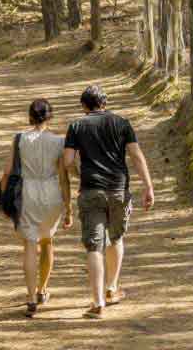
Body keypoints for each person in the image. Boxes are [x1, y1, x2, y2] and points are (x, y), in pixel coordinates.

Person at [63, 85, 154, 320]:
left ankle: (98, 302)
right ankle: (112, 288)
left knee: (94, 246)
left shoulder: (76, 126)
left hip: (91, 189)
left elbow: (68, 160)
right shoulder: (122, 123)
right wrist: (148, 186)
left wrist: (77, 173)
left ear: (84, 106)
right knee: (116, 238)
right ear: (105, 103)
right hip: (118, 189)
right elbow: (135, 155)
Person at [0, 99, 73, 318]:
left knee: (30, 244)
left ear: (30, 116)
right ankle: (42, 290)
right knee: (48, 240)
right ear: (50, 116)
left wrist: (4, 199)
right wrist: (69, 207)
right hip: (51, 192)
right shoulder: (59, 141)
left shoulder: (20, 139)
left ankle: (31, 297)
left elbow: (7, 171)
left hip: (27, 192)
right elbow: (64, 177)